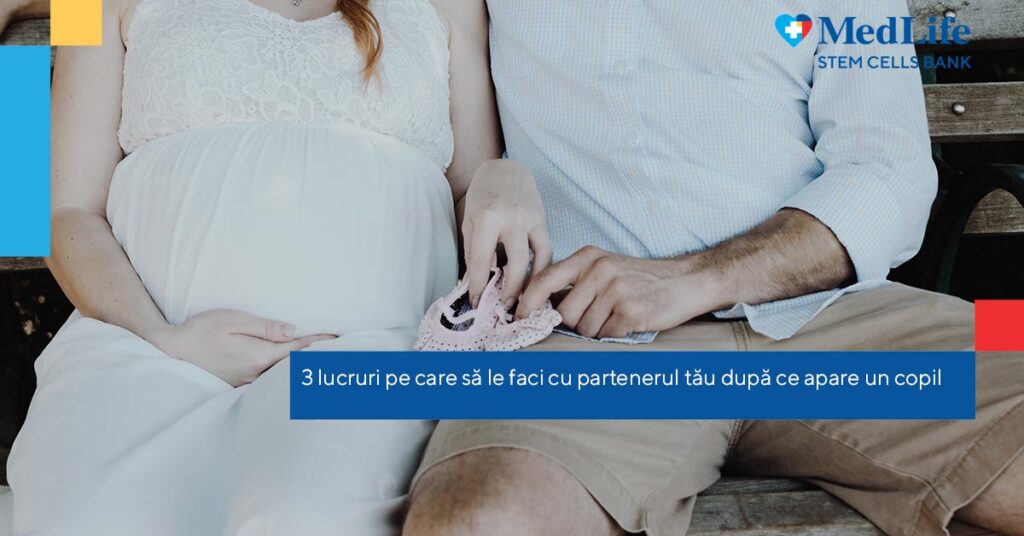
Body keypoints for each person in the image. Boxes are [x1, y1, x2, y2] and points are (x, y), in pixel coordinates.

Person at [402, 1, 1024, 535]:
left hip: (843, 315)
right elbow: (461, 159)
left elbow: (891, 171)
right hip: (581, 338)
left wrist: (693, 280)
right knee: (475, 520)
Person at [6, 0, 509, 534]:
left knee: (308, 517)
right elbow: (56, 213)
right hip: (144, 344)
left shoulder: (457, 7)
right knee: (93, 517)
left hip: (371, 356)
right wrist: (161, 337)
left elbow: (477, 194)